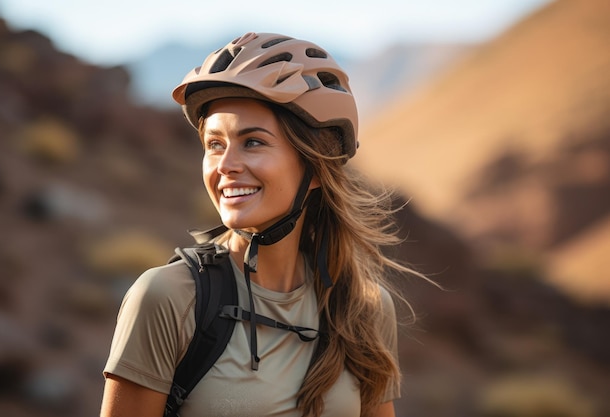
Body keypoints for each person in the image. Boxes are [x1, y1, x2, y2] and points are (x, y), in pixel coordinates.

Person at [100, 32, 423, 417]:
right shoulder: (167, 298)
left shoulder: (363, 308)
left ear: (315, 165)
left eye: (252, 142)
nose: (225, 165)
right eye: (215, 144)